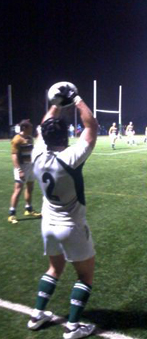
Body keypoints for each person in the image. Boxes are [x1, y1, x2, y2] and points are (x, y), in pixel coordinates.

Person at [27, 82, 98, 339]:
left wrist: (56, 104)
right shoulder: (71, 157)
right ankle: (72, 327)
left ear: (43, 135)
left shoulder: (37, 153)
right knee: (85, 276)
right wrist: (76, 100)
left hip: (48, 224)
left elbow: (45, 124)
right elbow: (91, 126)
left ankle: (36, 316)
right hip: (71, 226)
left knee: (54, 270)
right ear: (66, 136)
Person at [8, 119, 41, 224]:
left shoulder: (30, 138)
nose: (32, 129)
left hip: (30, 166)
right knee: (18, 190)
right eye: (30, 127)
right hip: (22, 167)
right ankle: (12, 214)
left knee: (30, 187)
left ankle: (28, 209)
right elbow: (14, 156)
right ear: (25, 128)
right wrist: (19, 170)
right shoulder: (16, 139)